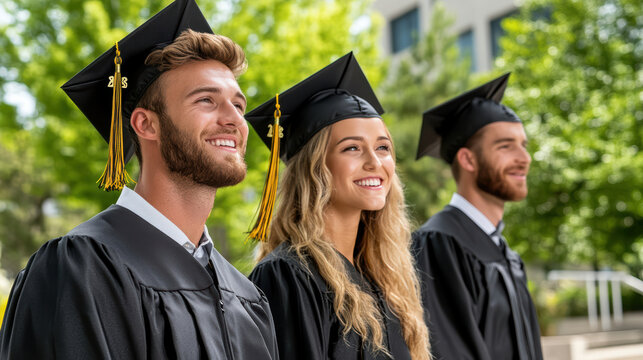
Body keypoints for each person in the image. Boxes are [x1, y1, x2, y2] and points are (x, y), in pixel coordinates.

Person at [0, 1, 278, 358]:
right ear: (146, 124)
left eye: (238, 105)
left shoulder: (246, 295)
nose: (235, 120)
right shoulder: (82, 267)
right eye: (206, 100)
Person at [244, 52, 430, 360]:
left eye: (383, 147)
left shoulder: (382, 279)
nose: (375, 162)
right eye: (352, 148)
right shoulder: (288, 276)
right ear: (314, 168)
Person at [412, 73, 543, 360]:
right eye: (506, 146)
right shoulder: (438, 244)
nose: (525, 158)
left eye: (524, 145)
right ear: (468, 159)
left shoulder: (504, 252)